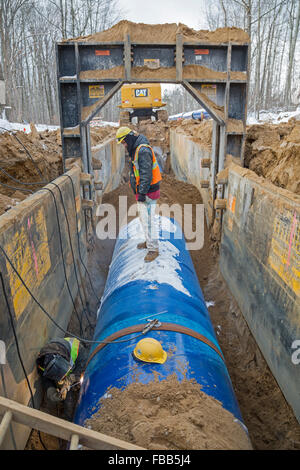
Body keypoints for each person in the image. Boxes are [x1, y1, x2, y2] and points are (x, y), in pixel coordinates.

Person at [116, 127, 162, 262]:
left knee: (148, 220)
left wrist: (142, 192)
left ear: (129, 138)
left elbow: (146, 174)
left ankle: (153, 249)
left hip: (148, 191)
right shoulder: (137, 149)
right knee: (144, 219)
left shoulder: (142, 151)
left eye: (124, 142)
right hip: (145, 191)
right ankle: (149, 242)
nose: (124, 146)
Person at [36, 337, 87, 421]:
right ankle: (66, 418)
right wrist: (50, 389)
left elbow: (84, 364)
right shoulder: (42, 363)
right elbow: (45, 378)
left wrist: (72, 379)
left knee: (71, 391)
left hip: (77, 365)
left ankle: (68, 417)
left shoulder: (79, 350)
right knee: (66, 393)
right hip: (65, 368)